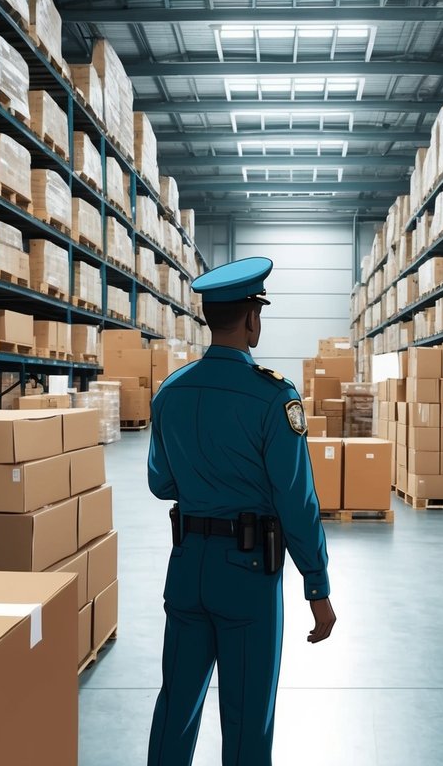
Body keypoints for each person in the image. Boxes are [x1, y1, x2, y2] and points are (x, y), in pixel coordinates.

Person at [146, 256, 337, 766]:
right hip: (248, 576)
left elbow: (160, 482)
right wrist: (316, 589)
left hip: (187, 568)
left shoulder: (170, 392)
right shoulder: (273, 399)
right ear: (252, 318)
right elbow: (297, 503)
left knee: (176, 705)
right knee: (248, 715)